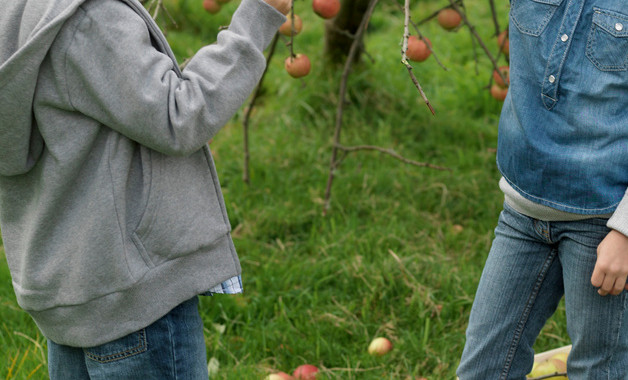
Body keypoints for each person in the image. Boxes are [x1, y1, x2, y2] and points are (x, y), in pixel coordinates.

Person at [0, 0, 289, 377]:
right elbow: (178, 115)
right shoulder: (88, 19)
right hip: (134, 300)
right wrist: (258, 16)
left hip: (73, 291)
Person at [457, 0, 628, 379]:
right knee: (483, 368)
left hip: (602, 221)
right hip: (522, 213)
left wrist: (625, 231)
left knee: (599, 370)